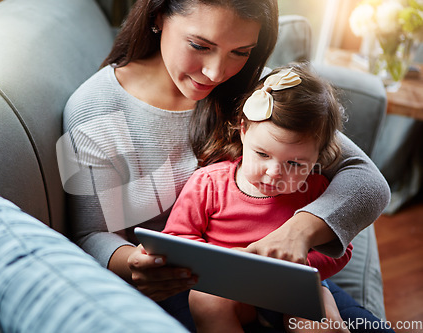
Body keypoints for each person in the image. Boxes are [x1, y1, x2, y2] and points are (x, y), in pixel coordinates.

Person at [60, 0, 391, 330]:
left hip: (285, 276)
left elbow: (367, 181)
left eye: (241, 51)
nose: (217, 73)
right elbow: (92, 233)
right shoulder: (94, 109)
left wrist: (296, 234)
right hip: (187, 285)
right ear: (159, 16)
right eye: (200, 45)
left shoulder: (258, 95)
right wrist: (132, 263)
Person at [161, 64, 352, 332]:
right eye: (262, 154)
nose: (274, 173)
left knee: (324, 317)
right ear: (243, 130)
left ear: (318, 157)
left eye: (295, 164)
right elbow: (177, 240)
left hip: (294, 289)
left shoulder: (315, 190)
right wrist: (226, 261)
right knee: (206, 299)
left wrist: (300, 265)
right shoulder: (209, 184)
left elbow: (341, 249)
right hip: (230, 289)